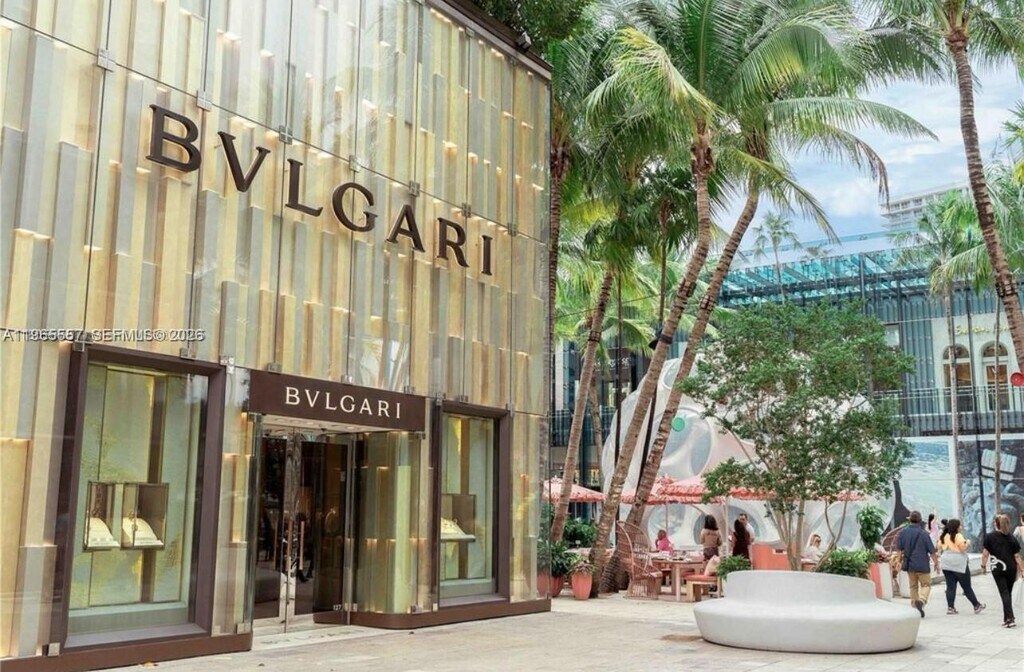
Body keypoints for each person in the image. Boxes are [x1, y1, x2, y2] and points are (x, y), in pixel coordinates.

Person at [981, 514, 1024, 628]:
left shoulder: (989, 537)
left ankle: (1009, 619)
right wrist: (1022, 569)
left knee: (1004, 593)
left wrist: (983, 566)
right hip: (1011, 569)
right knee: (1007, 593)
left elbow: (985, 554)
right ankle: (1008, 617)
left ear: (996, 524)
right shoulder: (1011, 538)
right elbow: (1017, 556)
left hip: (998, 569)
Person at [936, 518, 984, 615]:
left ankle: (950, 607)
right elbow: (963, 548)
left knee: (950, 586)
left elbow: (938, 546)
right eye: (959, 525)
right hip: (958, 562)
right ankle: (976, 605)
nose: (961, 527)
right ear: (956, 527)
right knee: (966, 586)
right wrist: (967, 542)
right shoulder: (958, 536)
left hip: (946, 562)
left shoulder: (944, 536)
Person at [897, 510, 939, 618]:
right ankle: (922, 600)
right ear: (920, 520)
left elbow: (899, 550)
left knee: (913, 586)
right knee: (926, 585)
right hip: (922, 564)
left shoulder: (902, 533)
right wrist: (936, 563)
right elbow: (932, 551)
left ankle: (915, 609)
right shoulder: (924, 534)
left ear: (909, 519)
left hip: (910, 565)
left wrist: (898, 562)